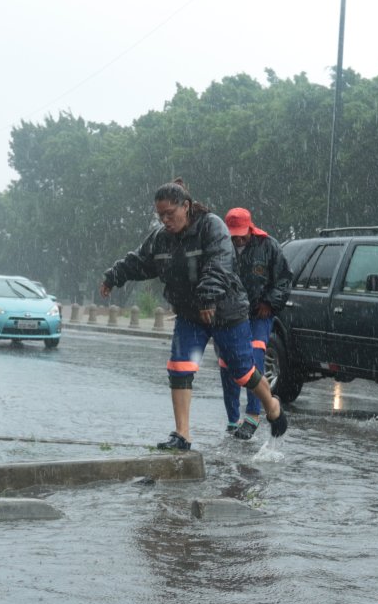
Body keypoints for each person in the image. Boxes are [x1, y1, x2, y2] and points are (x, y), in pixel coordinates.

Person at [100, 179, 288, 450]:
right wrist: (113, 276)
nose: (165, 220)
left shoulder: (212, 226)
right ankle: (182, 435)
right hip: (190, 314)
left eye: (170, 214)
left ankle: (271, 405)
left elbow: (220, 263)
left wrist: (209, 297)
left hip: (226, 311)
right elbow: (140, 262)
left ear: (186, 207)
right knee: (179, 367)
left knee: (242, 371)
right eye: (160, 215)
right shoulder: (160, 238)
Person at [219, 207, 293, 440]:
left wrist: (269, 303)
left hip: (259, 314)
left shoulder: (268, 246)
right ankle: (233, 420)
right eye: (234, 234)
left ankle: (253, 415)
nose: (239, 238)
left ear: (250, 228)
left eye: (242, 233)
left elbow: (283, 280)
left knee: (255, 356)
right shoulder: (221, 246)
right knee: (227, 365)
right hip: (230, 315)